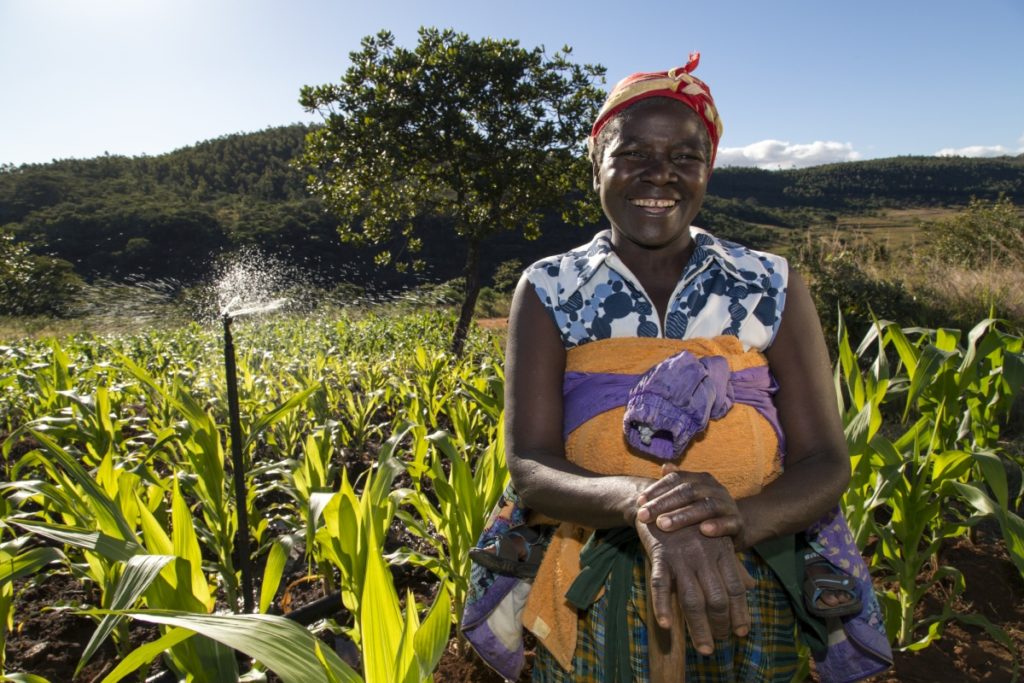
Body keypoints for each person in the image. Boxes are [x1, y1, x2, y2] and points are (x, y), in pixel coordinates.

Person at [462, 54, 891, 682]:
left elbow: (825, 460)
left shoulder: (768, 282)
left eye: (685, 157)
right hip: (595, 571)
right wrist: (646, 505)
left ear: (708, 170)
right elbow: (529, 462)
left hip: (751, 569)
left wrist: (730, 522)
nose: (658, 175)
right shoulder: (550, 287)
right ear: (597, 164)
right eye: (632, 154)